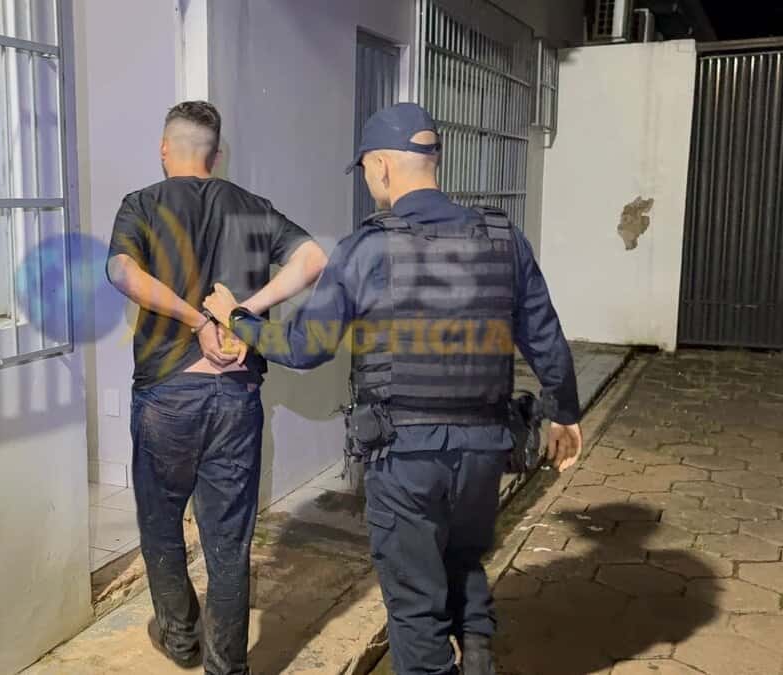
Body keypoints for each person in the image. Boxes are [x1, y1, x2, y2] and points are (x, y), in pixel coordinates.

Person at [203, 103, 583, 675]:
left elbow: (306, 346)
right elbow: (545, 336)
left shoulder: (368, 248)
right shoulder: (503, 236)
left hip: (406, 457)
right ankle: (479, 653)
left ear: (380, 165)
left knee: (414, 602)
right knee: (463, 558)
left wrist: (239, 319)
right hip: (486, 451)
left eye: (365, 169)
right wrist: (564, 413)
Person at [106, 100, 328, 675]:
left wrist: (194, 319)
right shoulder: (252, 208)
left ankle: (182, 641)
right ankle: (227, 666)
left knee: (161, 526)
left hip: (167, 394)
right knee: (228, 542)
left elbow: (121, 272)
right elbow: (313, 257)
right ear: (217, 154)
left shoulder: (142, 204)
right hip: (235, 396)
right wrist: (239, 315)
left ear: (164, 149)